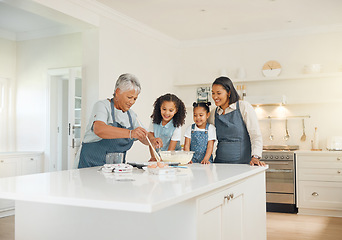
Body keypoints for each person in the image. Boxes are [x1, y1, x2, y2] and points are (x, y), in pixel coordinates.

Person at [77, 73, 151, 168]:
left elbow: (145, 137)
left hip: (116, 171)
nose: (132, 102)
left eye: (135, 99)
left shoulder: (131, 115)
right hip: (90, 168)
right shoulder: (102, 106)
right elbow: (99, 129)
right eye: (129, 97)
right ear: (117, 92)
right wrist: (130, 133)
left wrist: (152, 140)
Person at [208, 76, 265, 166]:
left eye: (219, 93)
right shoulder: (213, 113)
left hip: (242, 164)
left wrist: (256, 157)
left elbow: (255, 135)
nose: (215, 97)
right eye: (213, 93)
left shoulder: (243, 107)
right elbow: (208, 138)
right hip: (219, 164)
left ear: (229, 92)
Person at [148, 93, 186, 157]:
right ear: (160, 108)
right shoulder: (154, 120)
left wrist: (162, 161)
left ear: (176, 111)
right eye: (164, 109)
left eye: (171, 110)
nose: (166, 113)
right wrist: (153, 157)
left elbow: (171, 149)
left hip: (172, 156)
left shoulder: (176, 125)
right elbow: (150, 139)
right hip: (158, 155)